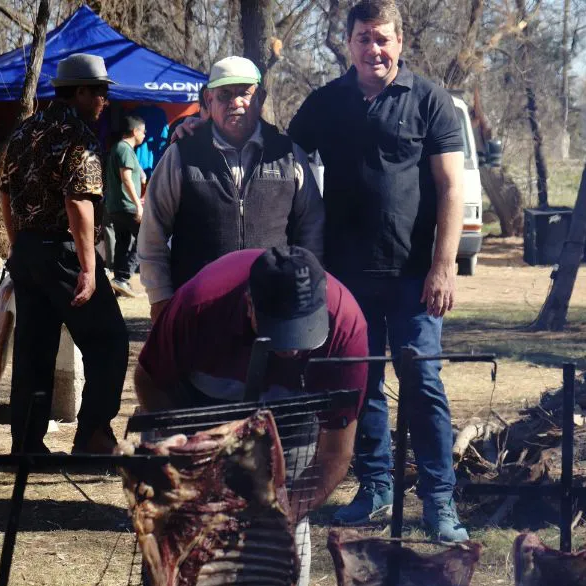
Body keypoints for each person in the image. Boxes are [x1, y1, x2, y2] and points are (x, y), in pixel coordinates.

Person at [287, 0, 469, 541]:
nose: (375, 49)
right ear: (349, 44)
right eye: (364, 38)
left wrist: (443, 268)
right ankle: (375, 485)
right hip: (344, 277)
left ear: (401, 42)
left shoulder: (430, 101)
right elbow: (283, 156)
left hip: (414, 276)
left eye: (383, 38)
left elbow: (450, 187)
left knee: (423, 380)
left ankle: (439, 500)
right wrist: (201, 128)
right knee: (360, 383)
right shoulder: (327, 102)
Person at [134, 246, 367, 586]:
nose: (292, 350)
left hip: (291, 414)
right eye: (281, 334)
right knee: (183, 532)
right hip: (202, 403)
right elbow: (148, 378)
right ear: (249, 306)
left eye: (304, 333)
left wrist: (281, 515)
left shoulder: (346, 325)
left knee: (280, 539)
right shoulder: (199, 304)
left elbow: (335, 454)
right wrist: (188, 455)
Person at [0, 53, 128, 454]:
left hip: (29, 252)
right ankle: (92, 433)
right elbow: (78, 203)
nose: (104, 100)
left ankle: (27, 444)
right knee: (109, 340)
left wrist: (18, 245)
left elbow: (4, 190)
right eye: (101, 92)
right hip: (66, 252)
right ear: (81, 92)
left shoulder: (25, 131)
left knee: (34, 351)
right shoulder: (79, 135)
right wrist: (89, 269)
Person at [138, 56, 324, 323]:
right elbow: (152, 234)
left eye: (244, 93)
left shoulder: (288, 154)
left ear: (259, 97)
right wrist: (160, 297)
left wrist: (305, 288)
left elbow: (312, 228)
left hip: (273, 307)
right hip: (199, 309)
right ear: (209, 99)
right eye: (224, 94)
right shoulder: (182, 154)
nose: (236, 103)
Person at [105, 114, 146, 298]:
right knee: (145, 240)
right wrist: (138, 204)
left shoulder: (121, 149)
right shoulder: (124, 149)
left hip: (117, 206)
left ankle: (120, 282)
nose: (145, 135)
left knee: (123, 242)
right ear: (135, 131)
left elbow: (139, 176)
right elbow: (126, 178)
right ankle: (122, 277)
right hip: (127, 206)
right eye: (143, 132)